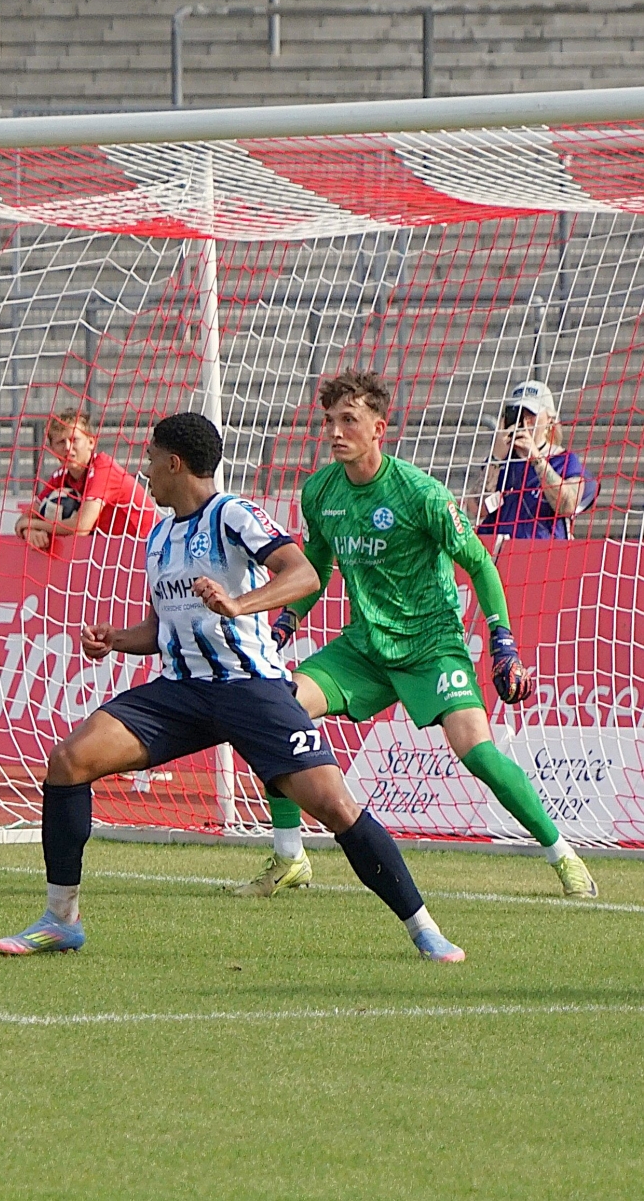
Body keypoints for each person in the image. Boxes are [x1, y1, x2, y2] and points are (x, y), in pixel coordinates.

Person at [0, 412, 465, 962]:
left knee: (335, 807)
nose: (144, 470)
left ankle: (424, 928)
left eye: (150, 458)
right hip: (180, 693)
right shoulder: (159, 536)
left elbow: (304, 574)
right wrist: (116, 639)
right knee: (68, 761)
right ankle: (61, 920)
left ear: (174, 463)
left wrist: (240, 604)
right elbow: (162, 627)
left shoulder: (233, 515)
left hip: (251, 689)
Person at [243, 371, 596, 899]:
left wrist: (502, 641)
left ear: (378, 428)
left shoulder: (421, 493)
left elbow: (480, 563)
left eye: (349, 420)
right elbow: (314, 565)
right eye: (329, 421)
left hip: (432, 646)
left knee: (477, 753)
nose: (335, 432)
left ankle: (562, 854)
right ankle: (290, 857)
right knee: (276, 713)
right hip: (364, 648)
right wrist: (284, 625)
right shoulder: (319, 491)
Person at [15, 410, 155, 551]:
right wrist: (29, 531)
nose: (68, 447)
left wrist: (34, 525)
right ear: (52, 449)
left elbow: (81, 528)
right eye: (60, 442)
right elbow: (24, 518)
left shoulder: (103, 470)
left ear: (91, 442)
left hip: (146, 547)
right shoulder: (61, 475)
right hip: (114, 549)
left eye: (74, 440)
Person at [477, 379, 597, 539]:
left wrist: (537, 459)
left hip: (543, 547)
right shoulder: (502, 461)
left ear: (549, 420)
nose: (524, 420)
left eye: (530, 414)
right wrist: (496, 457)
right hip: (500, 547)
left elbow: (568, 506)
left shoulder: (563, 460)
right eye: (517, 413)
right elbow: (477, 509)